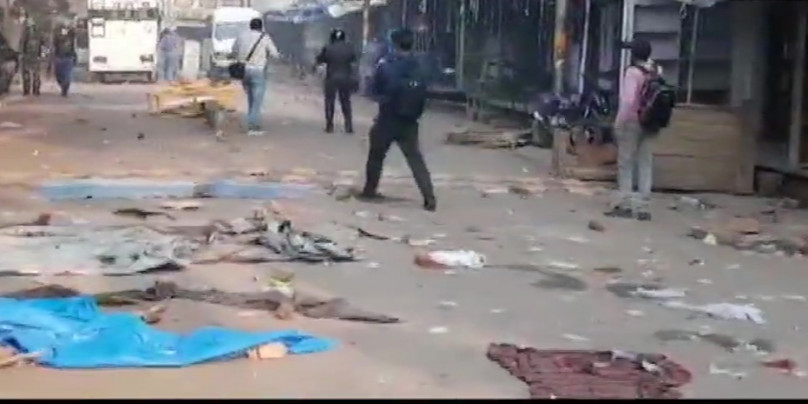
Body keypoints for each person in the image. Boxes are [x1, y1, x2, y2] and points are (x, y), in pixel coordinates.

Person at [359, 28, 436, 212]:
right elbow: (425, 92)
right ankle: (429, 197)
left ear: (394, 44)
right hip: (410, 121)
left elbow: (372, 91)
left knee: (376, 155)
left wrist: (383, 99)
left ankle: (370, 190)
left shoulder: (385, 64)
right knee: (415, 159)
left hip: (387, 118)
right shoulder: (419, 65)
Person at [606, 39, 663, 221]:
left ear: (633, 54)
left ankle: (625, 204)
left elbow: (629, 100)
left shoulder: (632, 73)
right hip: (651, 123)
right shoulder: (656, 71)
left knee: (626, 163)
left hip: (632, 122)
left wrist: (619, 122)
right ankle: (643, 207)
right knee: (645, 162)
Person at [231, 17, 275, 136]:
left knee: (251, 97)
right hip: (258, 70)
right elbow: (274, 53)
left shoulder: (242, 36)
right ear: (261, 27)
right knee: (257, 100)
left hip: (243, 71)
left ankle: (252, 121)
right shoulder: (264, 38)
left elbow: (233, 51)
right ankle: (253, 126)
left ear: (250, 26)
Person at [314, 28, 357, 134]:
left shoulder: (328, 47)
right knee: (345, 101)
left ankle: (329, 126)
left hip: (331, 77)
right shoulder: (349, 48)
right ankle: (349, 126)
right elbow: (354, 61)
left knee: (329, 101)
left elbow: (320, 59)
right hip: (346, 78)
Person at [19, 17, 44, 96]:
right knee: (35, 74)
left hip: (29, 56)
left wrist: (22, 54)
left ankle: (28, 90)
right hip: (33, 56)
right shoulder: (38, 35)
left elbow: (22, 45)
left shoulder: (25, 34)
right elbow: (41, 46)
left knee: (28, 73)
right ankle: (34, 90)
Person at [52, 21, 77, 97]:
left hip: (68, 58)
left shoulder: (70, 36)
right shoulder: (57, 37)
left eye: (66, 28)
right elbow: (54, 45)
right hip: (59, 58)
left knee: (67, 75)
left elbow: (73, 32)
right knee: (59, 75)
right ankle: (63, 87)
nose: (64, 30)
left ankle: (65, 89)